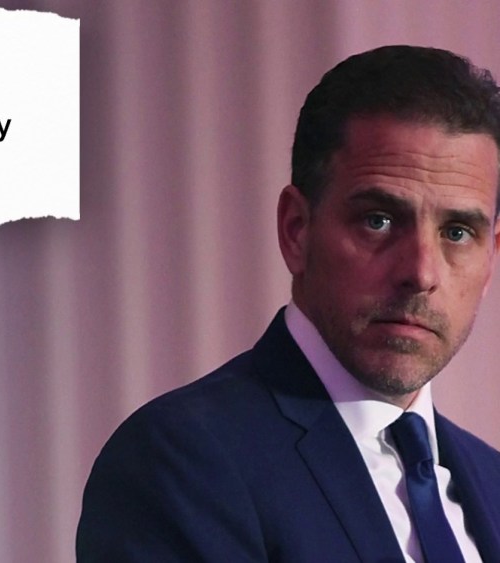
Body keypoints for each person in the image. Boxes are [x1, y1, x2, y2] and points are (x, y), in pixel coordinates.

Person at [77, 45, 500, 562]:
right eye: (379, 220)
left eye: (457, 232)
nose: (421, 273)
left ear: (491, 257)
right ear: (297, 230)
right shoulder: (179, 463)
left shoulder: (492, 483)